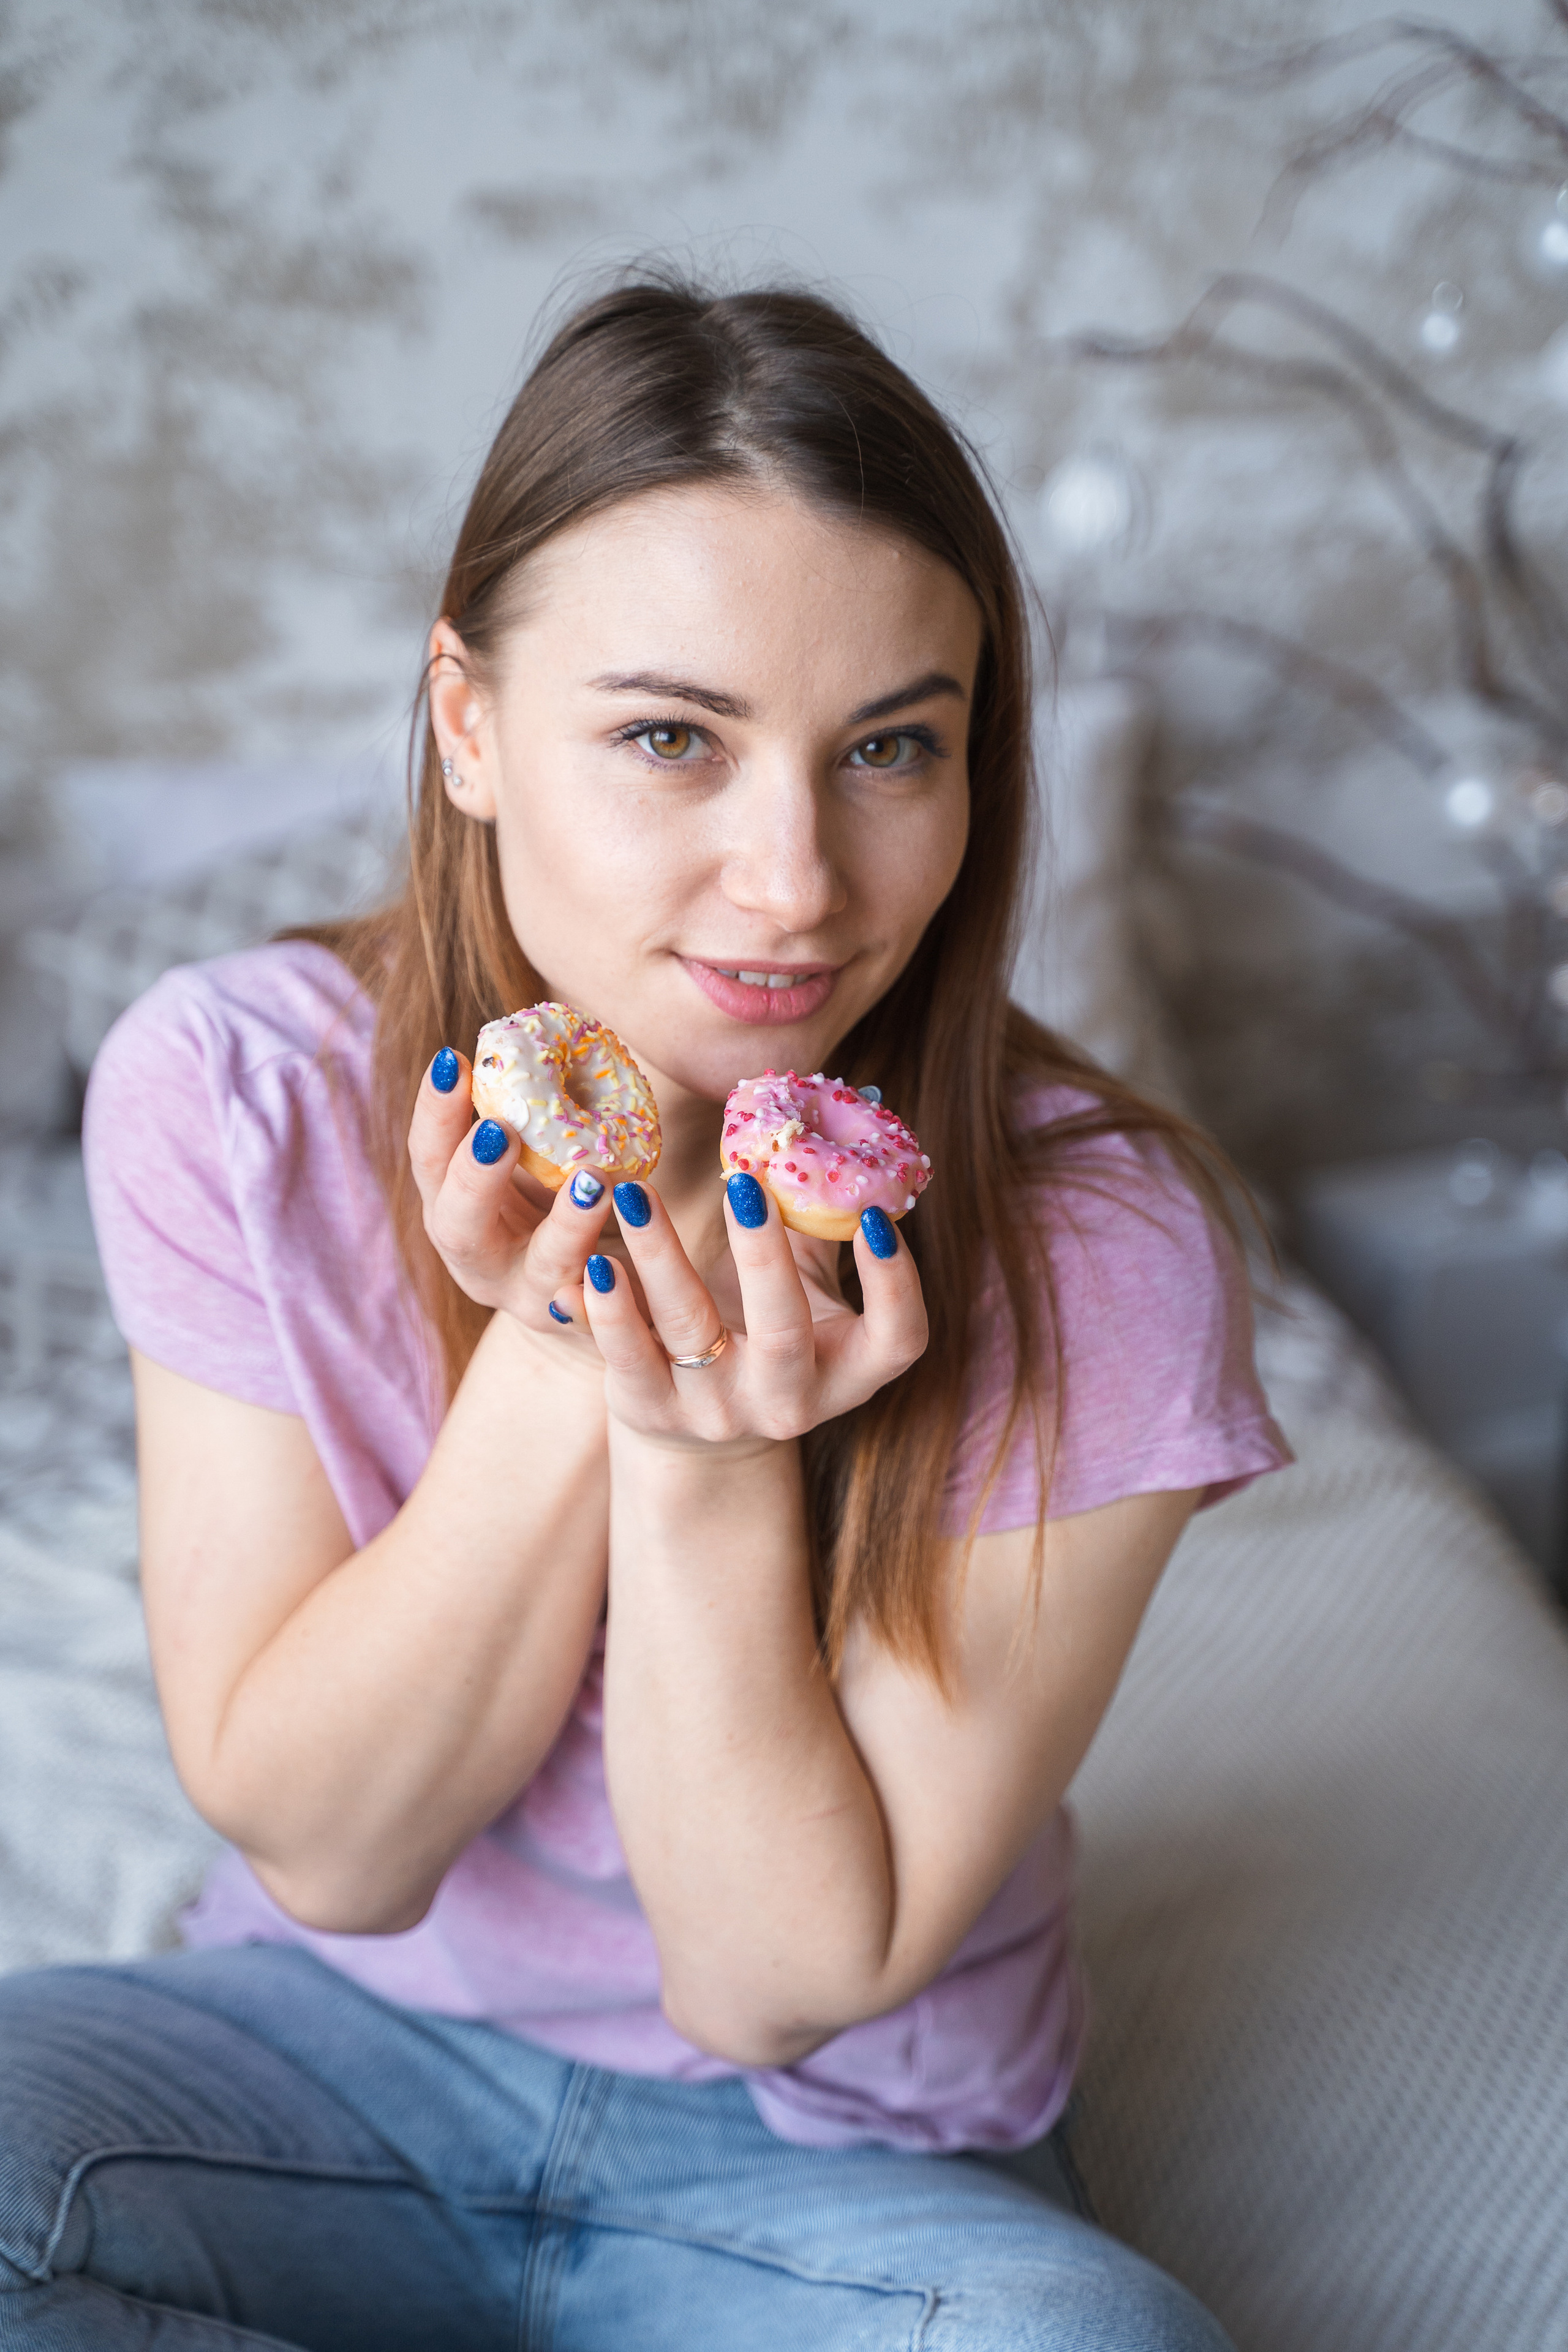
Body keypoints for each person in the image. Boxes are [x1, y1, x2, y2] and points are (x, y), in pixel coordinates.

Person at [0, 278, 1290, 2350]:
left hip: (838, 2167)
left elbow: (772, 1974)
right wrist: (561, 1333)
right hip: (314, 2059)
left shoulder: (1107, 1245)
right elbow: (334, 1855)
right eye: (672, 737)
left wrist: (705, 1452)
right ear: (471, 724)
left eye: (890, 749)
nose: (793, 883)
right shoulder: (234, 1091)